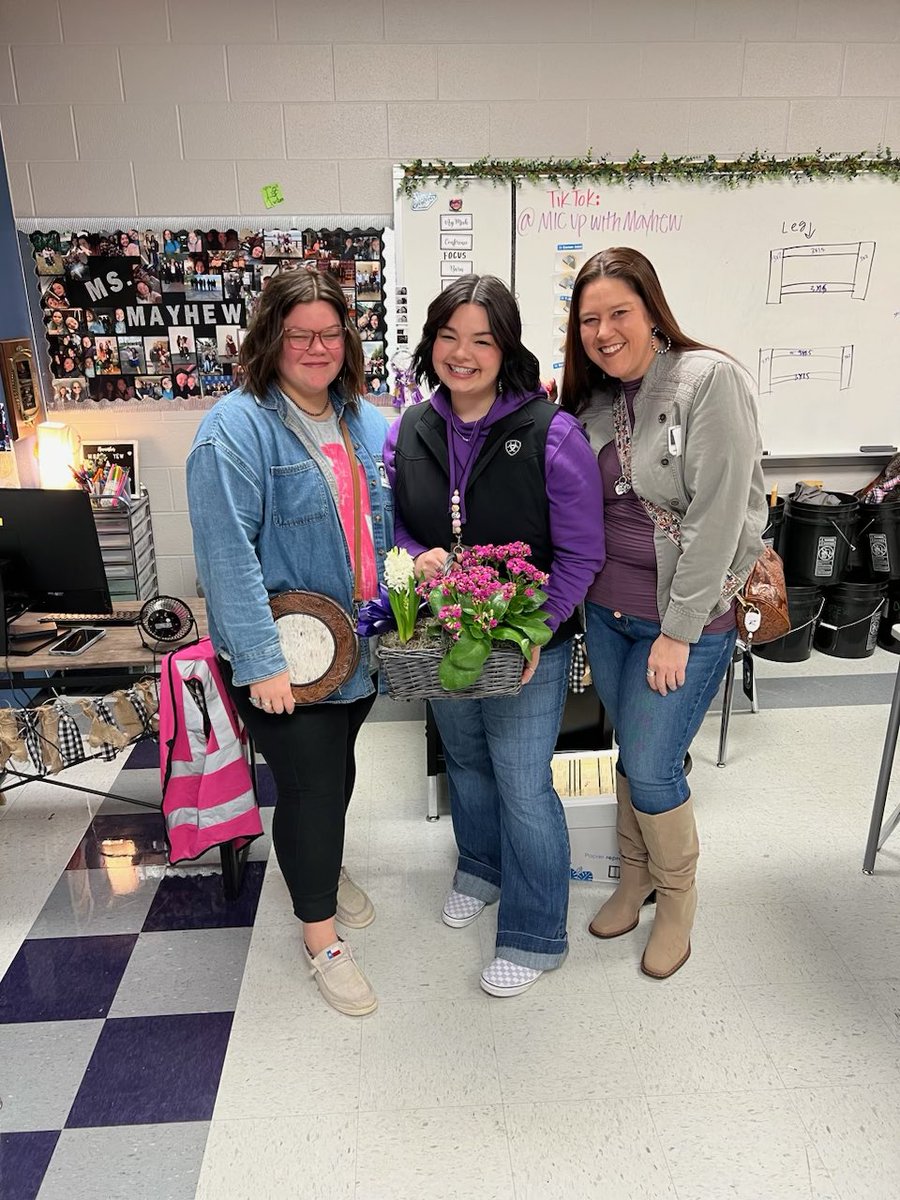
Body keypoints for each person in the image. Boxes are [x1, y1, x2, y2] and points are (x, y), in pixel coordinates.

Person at [384, 275, 605, 998]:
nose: (463, 353)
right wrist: (420, 555)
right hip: (443, 638)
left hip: (523, 646)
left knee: (522, 783)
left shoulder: (552, 432)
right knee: (467, 763)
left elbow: (581, 555)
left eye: (482, 338)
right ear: (430, 342)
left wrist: (538, 625)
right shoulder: (410, 428)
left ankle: (538, 934)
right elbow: (400, 528)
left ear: (507, 345)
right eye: (449, 336)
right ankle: (479, 869)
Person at [187, 269, 393, 1017]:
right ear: (270, 337)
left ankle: (324, 868)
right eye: (300, 333)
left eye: (330, 333)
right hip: (287, 659)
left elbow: (387, 522)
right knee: (307, 790)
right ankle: (322, 938)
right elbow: (225, 552)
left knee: (336, 773)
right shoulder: (234, 429)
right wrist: (262, 661)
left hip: (356, 648)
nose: (316, 347)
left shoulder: (366, 421)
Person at [559, 247, 767, 979]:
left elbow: (716, 518)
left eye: (619, 313)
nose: (605, 330)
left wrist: (678, 631)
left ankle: (677, 899)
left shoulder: (708, 380)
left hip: (683, 623)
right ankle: (635, 878)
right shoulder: (592, 401)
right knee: (634, 756)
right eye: (590, 319)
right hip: (609, 619)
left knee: (651, 766)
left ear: (652, 311)